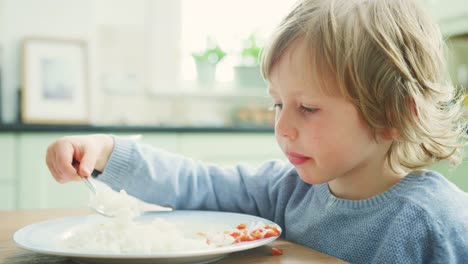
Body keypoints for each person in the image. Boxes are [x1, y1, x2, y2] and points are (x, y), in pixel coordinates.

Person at [46, 0, 468, 262]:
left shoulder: (437, 222)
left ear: (392, 115)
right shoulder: (286, 190)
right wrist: (105, 151)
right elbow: (198, 183)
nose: (282, 126)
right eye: (277, 103)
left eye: (307, 108)